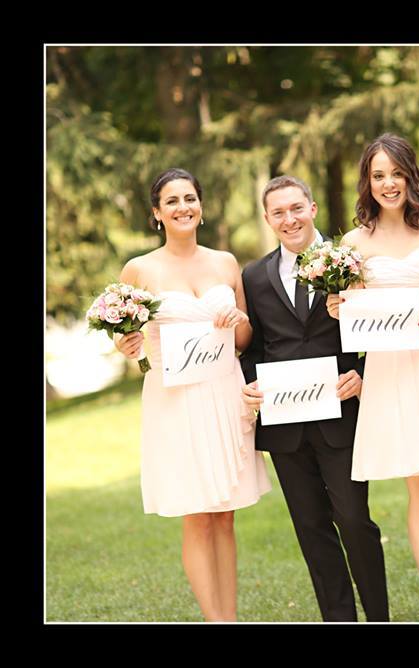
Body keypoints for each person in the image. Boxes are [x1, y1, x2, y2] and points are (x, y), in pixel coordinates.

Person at [326, 134, 419, 622]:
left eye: (396, 173)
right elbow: (352, 315)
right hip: (394, 372)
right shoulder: (353, 243)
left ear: (412, 174)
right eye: (378, 175)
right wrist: (338, 306)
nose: (388, 183)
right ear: (366, 183)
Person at [114, 168, 271, 621]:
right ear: (156, 214)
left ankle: (231, 617)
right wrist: (127, 346)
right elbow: (127, 337)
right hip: (175, 402)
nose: (183, 207)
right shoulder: (140, 269)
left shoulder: (224, 262)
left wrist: (238, 322)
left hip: (225, 395)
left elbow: (244, 340)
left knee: (225, 513)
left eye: (190, 198)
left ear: (200, 206)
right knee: (197, 515)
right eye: (172, 201)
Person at [239, 175, 388, 622]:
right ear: (268, 219)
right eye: (278, 212)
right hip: (284, 424)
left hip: (340, 414)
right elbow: (258, 347)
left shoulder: (352, 261)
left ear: (313, 208)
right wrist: (251, 384)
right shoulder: (255, 276)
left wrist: (361, 374)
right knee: (311, 528)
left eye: (296, 208)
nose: (289, 219)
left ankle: (379, 616)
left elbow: (381, 331)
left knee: (354, 521)